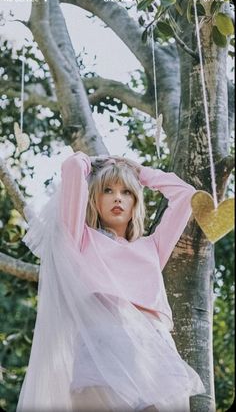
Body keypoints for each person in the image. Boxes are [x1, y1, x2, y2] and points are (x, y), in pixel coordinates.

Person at [17, 150, 205, 412]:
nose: (117, 197)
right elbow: (72, 166)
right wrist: (93, 162)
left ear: (135, 203)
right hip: (100, 347)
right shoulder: (80, 239)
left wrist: (139, 171)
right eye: (108, 190)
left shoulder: (152, 247)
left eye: (126, 192)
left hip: (153, 352)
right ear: (95, 199)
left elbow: (186, 195)